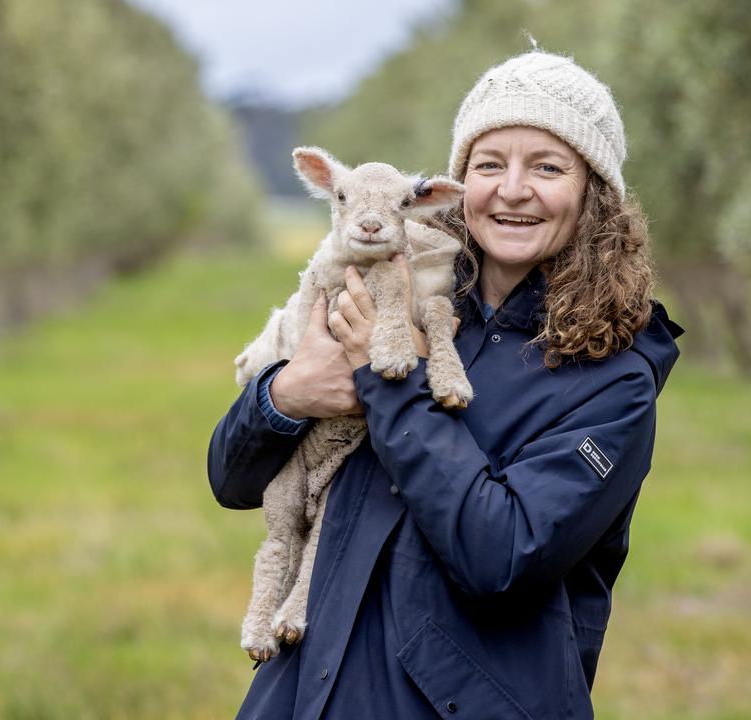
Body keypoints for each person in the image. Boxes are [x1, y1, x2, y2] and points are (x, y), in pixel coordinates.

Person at [208, 49, 683, 719]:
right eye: (490, 164)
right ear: (459, 185)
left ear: (593, 194)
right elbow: (230, 480)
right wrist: (284, 396)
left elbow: (502, 557)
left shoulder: (612, 382)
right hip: (305, 695)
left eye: (546, 166)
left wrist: (387, 382)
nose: (513, 189)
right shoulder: (390, 297)